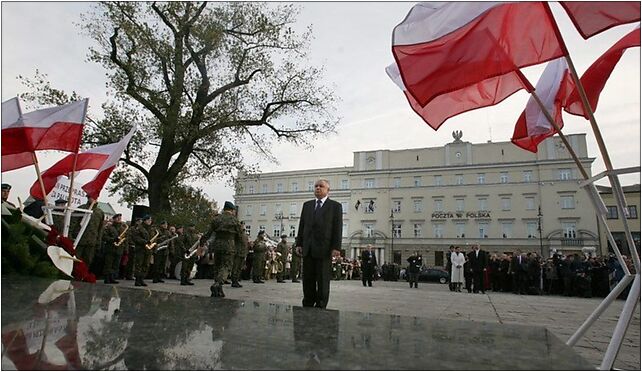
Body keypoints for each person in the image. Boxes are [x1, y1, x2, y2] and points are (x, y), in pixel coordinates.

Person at [295, 178, 342, 309]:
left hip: (324, 249)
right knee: (308, 279)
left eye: (321, 186)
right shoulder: (307, 205)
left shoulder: (335, 206)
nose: (318, 188)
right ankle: (308, 302)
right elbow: (302, 226)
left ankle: (321, 305)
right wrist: (299, 244)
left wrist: (336, 247)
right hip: (308, 248)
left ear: (328, 190)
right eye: (316, 186)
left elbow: (337, 228)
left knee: (322, 280)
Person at [200, 201, 244, 298]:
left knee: (218, 266)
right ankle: (218, 284)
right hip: (229, 246)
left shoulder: (216, 219)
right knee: (226, 266)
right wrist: (240, 248)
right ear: (232, 210)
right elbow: (240, 236)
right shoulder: (234, 220)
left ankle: (218, 289)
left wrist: (202, 243)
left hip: (217, 245)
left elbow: (208, 233)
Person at [71, 194, 105, 268]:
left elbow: (100, 228)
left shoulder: (100, 212)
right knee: (75, 258)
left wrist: (98, 241)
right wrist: (71, 236)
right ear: (88, 198)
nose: (94, 199)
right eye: (92, 197)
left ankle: (83, 275)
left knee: (88, 260)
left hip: (91, 241)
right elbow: (73, 223)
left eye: (96, 197)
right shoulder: (81, 209)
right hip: (79, 239)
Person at [102, 213, 127, 284]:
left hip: (119, 249)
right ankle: (107, 278)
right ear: (114, 219)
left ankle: (112, 277)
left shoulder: (122, 228)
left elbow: (125, 239)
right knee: (108, 264)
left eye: (120, 218)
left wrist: (125, 249)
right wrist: (113, 239)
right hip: (110, 248)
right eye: (117, 218)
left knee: (116, 264)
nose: (119, 219)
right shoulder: (109, 227)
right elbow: (104, 237)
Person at [131, 214, 154, 286]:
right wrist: (145, 242)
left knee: (146, 265)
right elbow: (136, 238)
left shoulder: (150, 229)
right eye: (148, 220)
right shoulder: (139, 228)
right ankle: (137, 280)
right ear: (145, 221)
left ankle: (142, 279)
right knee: (139, 264)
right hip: (140, 249)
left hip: (148, 250)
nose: (150, 221)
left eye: (150, 220)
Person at [231, 221, 249, 288]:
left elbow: (246, 245)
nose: (244, 226)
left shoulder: (245, 234)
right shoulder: (237, 233)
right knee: (235, 267)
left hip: (243, 253)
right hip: (237, 252)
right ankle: (234, 281)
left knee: (239, 268)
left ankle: (237, 280)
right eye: (242, 225)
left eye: (244, 225)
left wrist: (246, 253)